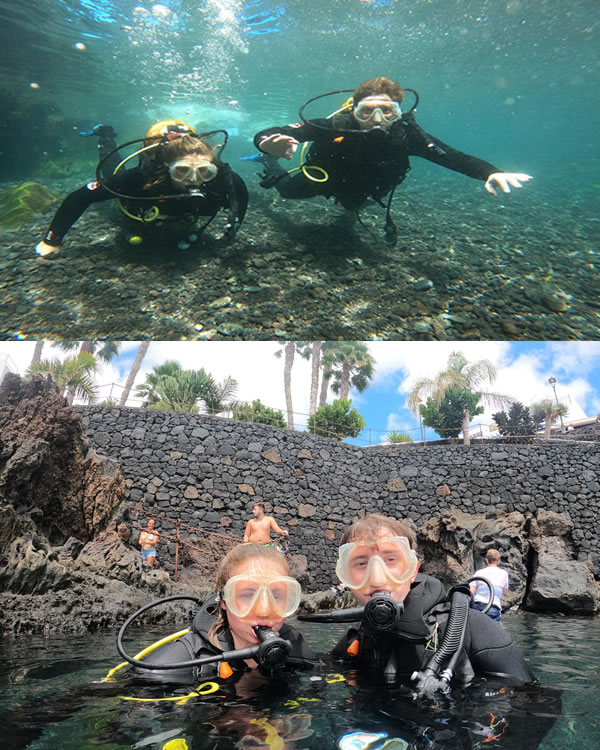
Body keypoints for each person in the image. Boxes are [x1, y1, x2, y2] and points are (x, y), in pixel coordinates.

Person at [253, 77, 532, 244]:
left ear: (399, 113)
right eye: (367, 112)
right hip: (325, 179)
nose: (377, 120)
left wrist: (490, 173)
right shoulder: (333, 125)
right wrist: (266, 144)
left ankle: (348, 203)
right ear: (354, 110)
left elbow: (455, 158)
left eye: (387, 112)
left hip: (366, 189)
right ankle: (268, 164)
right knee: (286, 192)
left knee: (351, 207)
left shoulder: (407, 135)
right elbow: (277, 131)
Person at [328, 514, 534, 688]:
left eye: (390, 560)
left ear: (412, 570)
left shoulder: (474, 630)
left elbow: (533, 704)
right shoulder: (356, 638)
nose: (377, 577)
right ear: (346, 577)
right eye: (361, 563)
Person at [35, 120, 248, 258]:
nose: (194, 179)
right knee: (111, 175)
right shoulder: (139, 178)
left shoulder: (224, 179)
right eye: (182, 171)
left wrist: (232, 230)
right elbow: (81, 196)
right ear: (166, 169)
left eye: (204, 172)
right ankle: (106, 136)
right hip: (139, 203)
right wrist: (51, 240)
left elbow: (241, 196)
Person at [135, 542, 319, 682]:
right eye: (247, 594)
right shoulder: (175, 664)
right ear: (224, 600)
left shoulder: (297, 650)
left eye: (277, 596)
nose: (264, 610)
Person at [470, 548, 509, 621]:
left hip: (477, 607)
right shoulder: (504, 574)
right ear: (499, 561)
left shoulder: (479, 573)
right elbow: (505, 592)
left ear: (487, 560)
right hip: (493, 608)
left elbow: (471, 591)